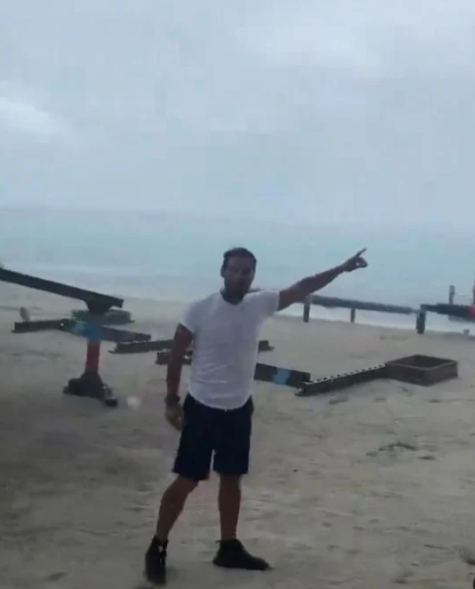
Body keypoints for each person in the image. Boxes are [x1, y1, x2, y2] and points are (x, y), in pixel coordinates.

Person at [145, 246, 368, 584]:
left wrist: (341, 268)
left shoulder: (259, 304)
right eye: (235, 270)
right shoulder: (200, 310)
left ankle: (228, 547)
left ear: (253, 275)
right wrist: (171, 401)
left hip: (238, 409)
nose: (240, 276)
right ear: (223, 272)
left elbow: (302, 287)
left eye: (247, 271)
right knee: (187, 479)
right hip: (202, 408)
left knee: (231, 477)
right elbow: (176, 354)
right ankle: (158, 546)